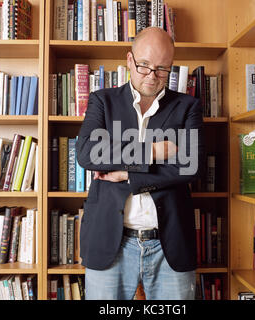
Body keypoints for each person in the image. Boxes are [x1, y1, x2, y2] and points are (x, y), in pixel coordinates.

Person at [76, 26, 203, 300]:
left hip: (170, 244)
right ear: (129, 60)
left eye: (161, 69)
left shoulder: (187, 107)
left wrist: (128, 176)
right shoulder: (102, 101)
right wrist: (154, 152)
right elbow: (87, 153)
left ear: (171, 68)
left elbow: (192, 165)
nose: (151, 76)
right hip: (111, 241)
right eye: (144, 65)